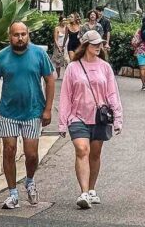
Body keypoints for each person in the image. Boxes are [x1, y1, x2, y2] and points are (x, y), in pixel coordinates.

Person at [0, 21, 56, 209]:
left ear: (28, 35)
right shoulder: (1, 57)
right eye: (16, 34)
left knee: (31, 155)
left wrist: (48, 109)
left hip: (33, 111)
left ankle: (30, 181)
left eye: (23, 34)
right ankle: (12, 194)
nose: (20, 38)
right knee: (9, 150)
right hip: (7, 112)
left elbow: (50, 80)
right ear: (10, 36)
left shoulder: (39, 54)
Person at [58, 29, 123, 209]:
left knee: (95, 154)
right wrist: (62, 122)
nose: (98, 46)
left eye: (100, 43)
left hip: (99, 117)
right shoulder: (73, 67)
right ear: (86, 45)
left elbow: (112, 94)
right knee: (82, 150)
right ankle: (84, 192)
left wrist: (118, 118)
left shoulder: (105, 67)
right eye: (94, 44)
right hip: (77, 116)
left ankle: (92, 189)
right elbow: (65, 96)